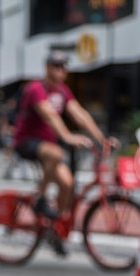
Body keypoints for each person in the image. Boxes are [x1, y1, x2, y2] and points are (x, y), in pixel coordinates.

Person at [13, 50, 117, 254]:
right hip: (27, 142)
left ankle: (53, 228)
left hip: (48, 147)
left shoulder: (63, 91)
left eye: (64, 67)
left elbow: (80, 114)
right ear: (47, 68)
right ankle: (40, 199)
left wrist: (101, 139)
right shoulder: (36, 88)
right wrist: (68, 137)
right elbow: (50, 115)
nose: (61, 71)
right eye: (56, 66)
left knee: (68, 184)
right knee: (56, 153)